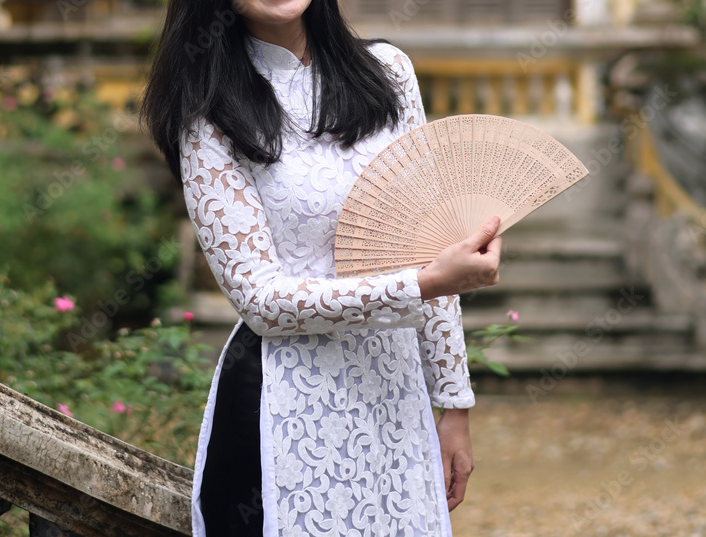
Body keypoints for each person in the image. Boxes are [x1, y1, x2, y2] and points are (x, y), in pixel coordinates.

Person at [140, 1, 503, 535]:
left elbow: (427, 246)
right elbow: (262, 303)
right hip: (284, 403)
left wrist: (453, 404)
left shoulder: (389, 73)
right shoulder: (208, 114)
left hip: (393, 398)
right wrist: (423, 283)